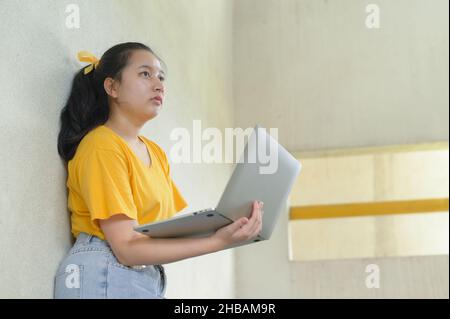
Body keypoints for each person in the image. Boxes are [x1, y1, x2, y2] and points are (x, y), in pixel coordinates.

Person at [55, 42, 263, 299]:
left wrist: (232, 225)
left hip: (141, 277)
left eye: (161, 77)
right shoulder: (102, 146)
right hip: (104, 272)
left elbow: (160, 233)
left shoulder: (156, 153)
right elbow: (127, 248)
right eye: (145, 74)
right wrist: (218, 241)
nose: (159, 85)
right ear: (112, 87)